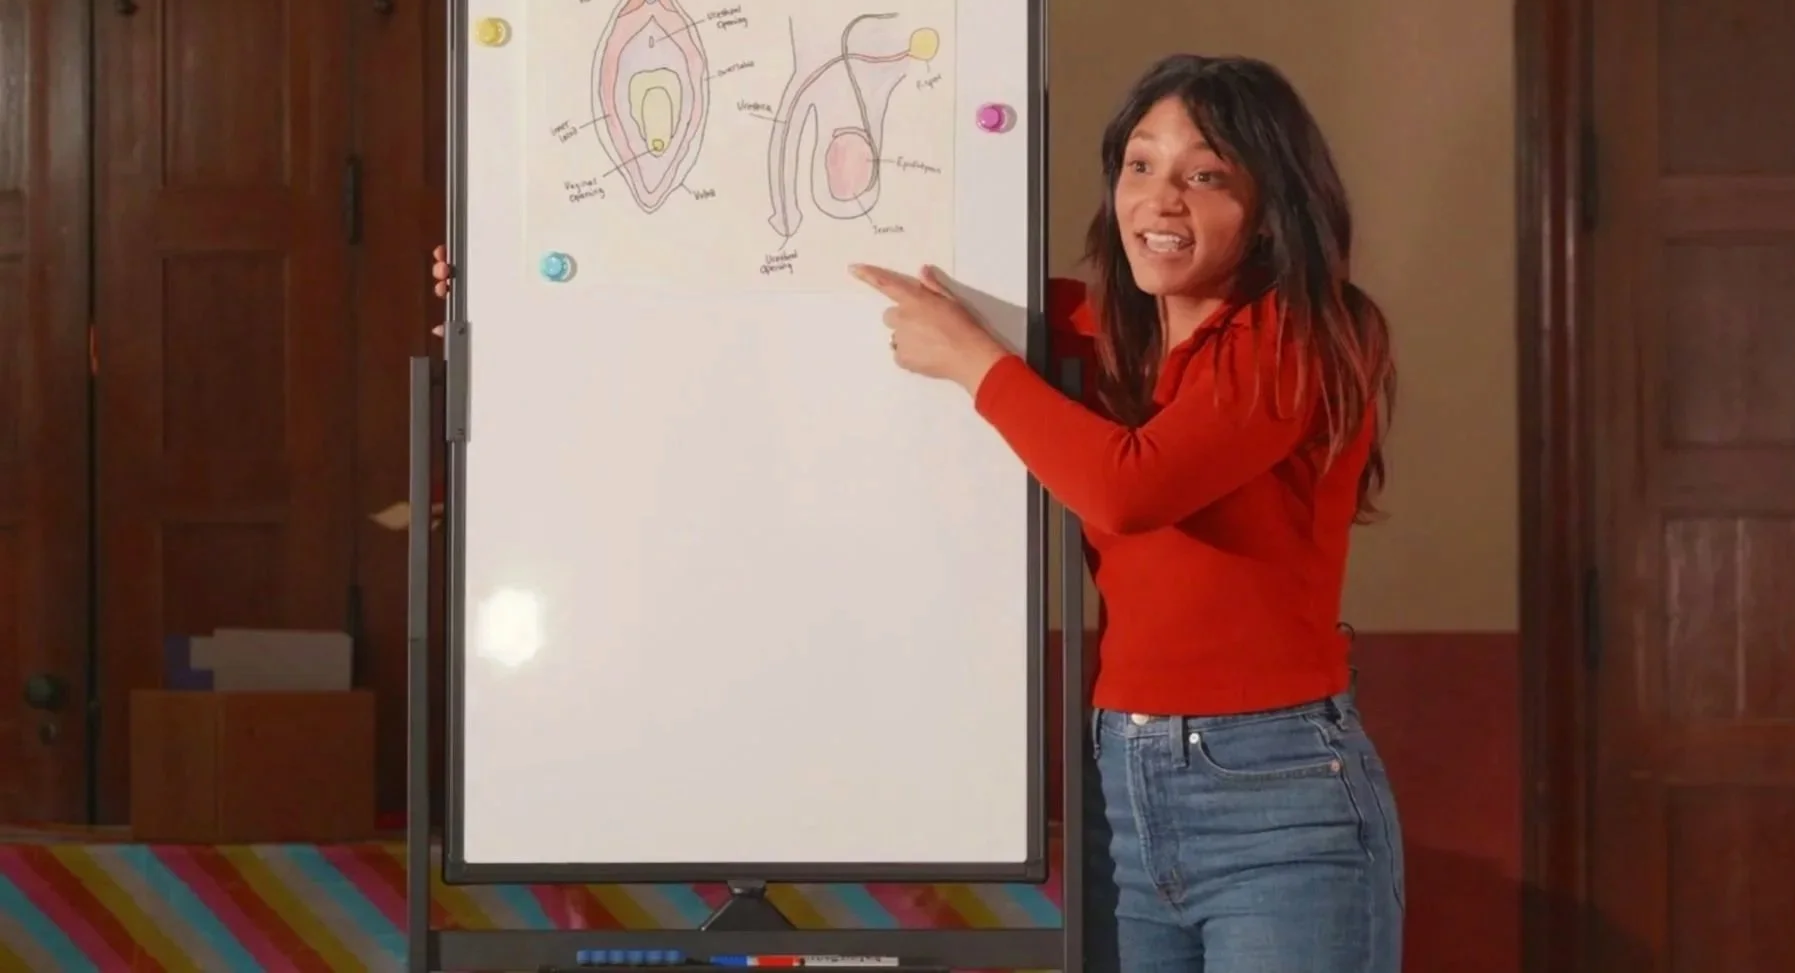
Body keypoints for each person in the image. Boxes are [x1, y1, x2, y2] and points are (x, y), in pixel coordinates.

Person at [431, 54, 1403, 972]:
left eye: (1205, 178)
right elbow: (838, 300)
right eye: (1140, 165)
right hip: (1125, 773)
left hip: (1277, 793)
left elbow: (1128, 487)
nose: (1158, 198)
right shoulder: (1105, 331)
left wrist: (976, 364)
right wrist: (505, 298)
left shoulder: (1307, 333)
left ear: (1271, 211)